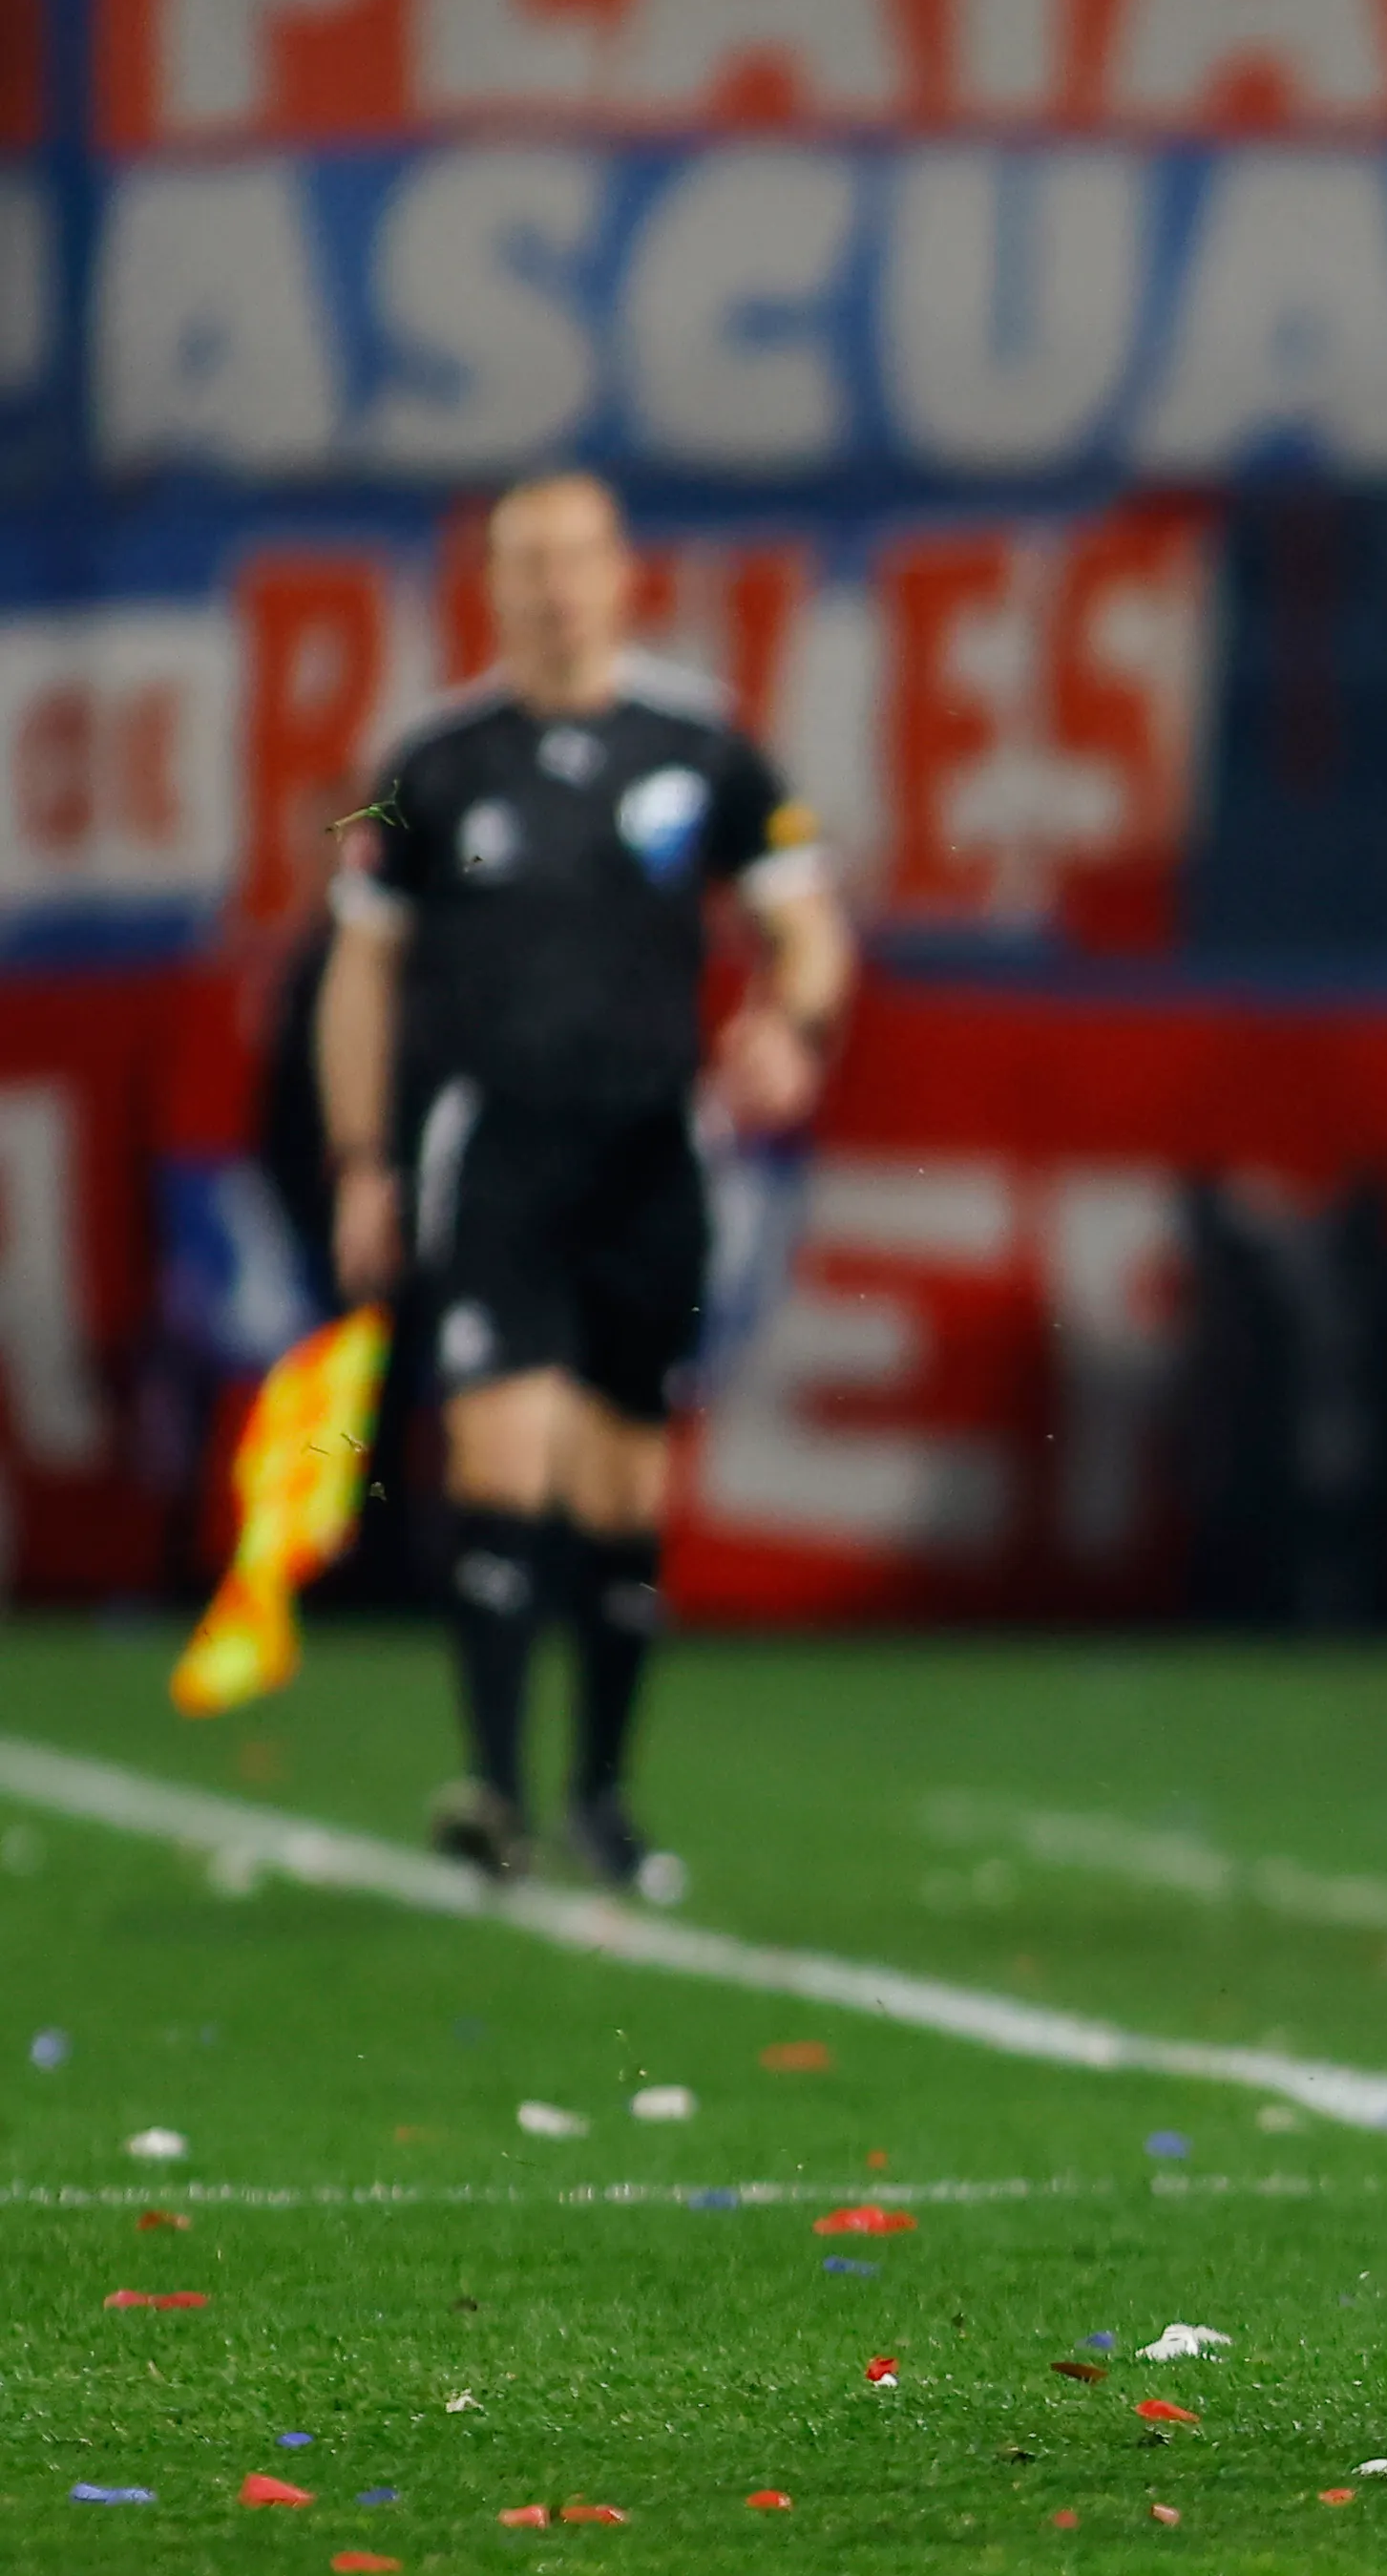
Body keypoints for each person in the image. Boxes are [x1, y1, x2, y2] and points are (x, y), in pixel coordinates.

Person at [319, 472, 851, 1892]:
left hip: (648, 1155)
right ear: (489, 585)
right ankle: (492, 1791)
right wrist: (363, 1158)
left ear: (624, 575)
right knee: (502, 1457)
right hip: (496, 1150)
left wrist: (789, 1025)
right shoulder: (422, 765)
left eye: (576, 557)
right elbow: (358, 971)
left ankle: (602, 1797)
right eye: (524, 561)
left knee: (623, 1486)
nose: (554, 585)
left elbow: (808, 923)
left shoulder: (703, 747)